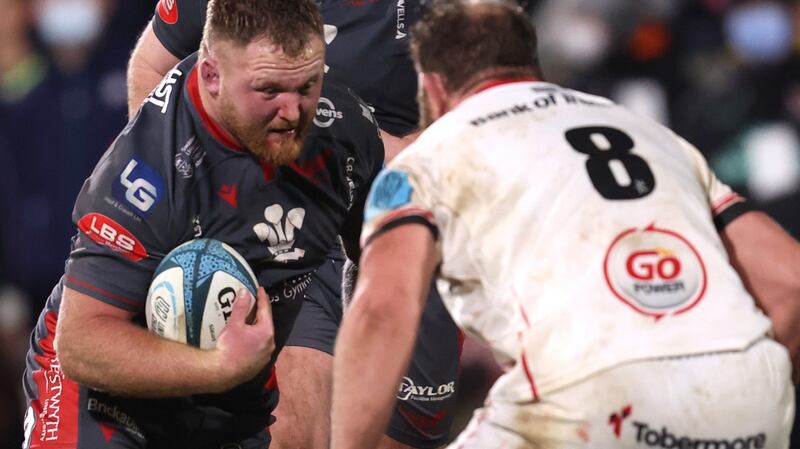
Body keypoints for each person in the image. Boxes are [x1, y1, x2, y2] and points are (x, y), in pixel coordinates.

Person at [331, 1, 798, 448]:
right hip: (746, 394)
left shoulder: (434, 153)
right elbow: (791, 284)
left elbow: (382, 311)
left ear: (431, 89)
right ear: (530, 68)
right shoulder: (656, 137)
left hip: (590, 394)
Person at [21, 0, 383, 448]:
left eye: (308, 85)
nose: (293, 112)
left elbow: (371, 262)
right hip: (105, 393)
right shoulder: (146, 175)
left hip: (233, 402)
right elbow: (80, 343)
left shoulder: (348, 134)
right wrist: (219, 367)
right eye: (269, 90)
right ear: (211, 76)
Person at [127, 1, 464, 448]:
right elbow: (152, 65)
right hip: (283, 224)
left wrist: (380, 152)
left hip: (408, 221)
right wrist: (185, 198)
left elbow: (484, 107)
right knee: (291, 433)